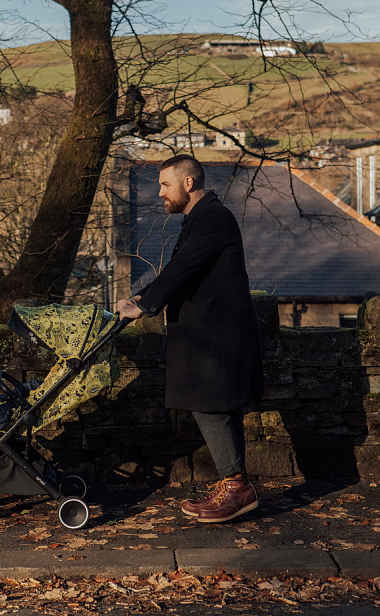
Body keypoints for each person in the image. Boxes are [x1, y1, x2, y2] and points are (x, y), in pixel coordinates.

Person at [117, 155, 263, 523]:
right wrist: (141, 296)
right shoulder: (202, 218)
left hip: (217, 335)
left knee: (210, 405)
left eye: (165, 185)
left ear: (188, 183)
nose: (160, 193)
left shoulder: (212, 218)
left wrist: (144, 306)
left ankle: (237, 488)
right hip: (212, 333)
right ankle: (235, 486)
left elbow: (184, 267)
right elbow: (180, 270)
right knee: (217, 407)